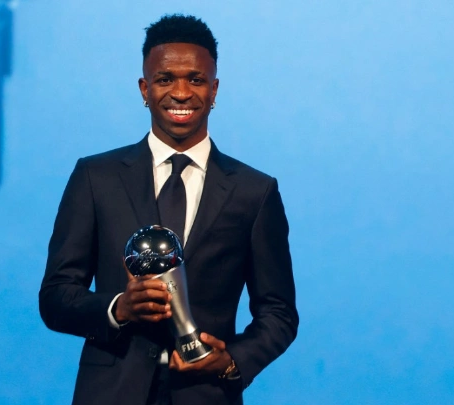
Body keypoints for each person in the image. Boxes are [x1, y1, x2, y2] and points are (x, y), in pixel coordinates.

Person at [39, 14, 298, 405]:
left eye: (195, 80)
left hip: (205, 395)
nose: (181, 92)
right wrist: (119, 307)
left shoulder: (254, 191)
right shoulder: (96, 177)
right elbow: (56, 298)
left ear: (214, 90)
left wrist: (231, 362)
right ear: (144, 89)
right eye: (165, 79)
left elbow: (279, 313)